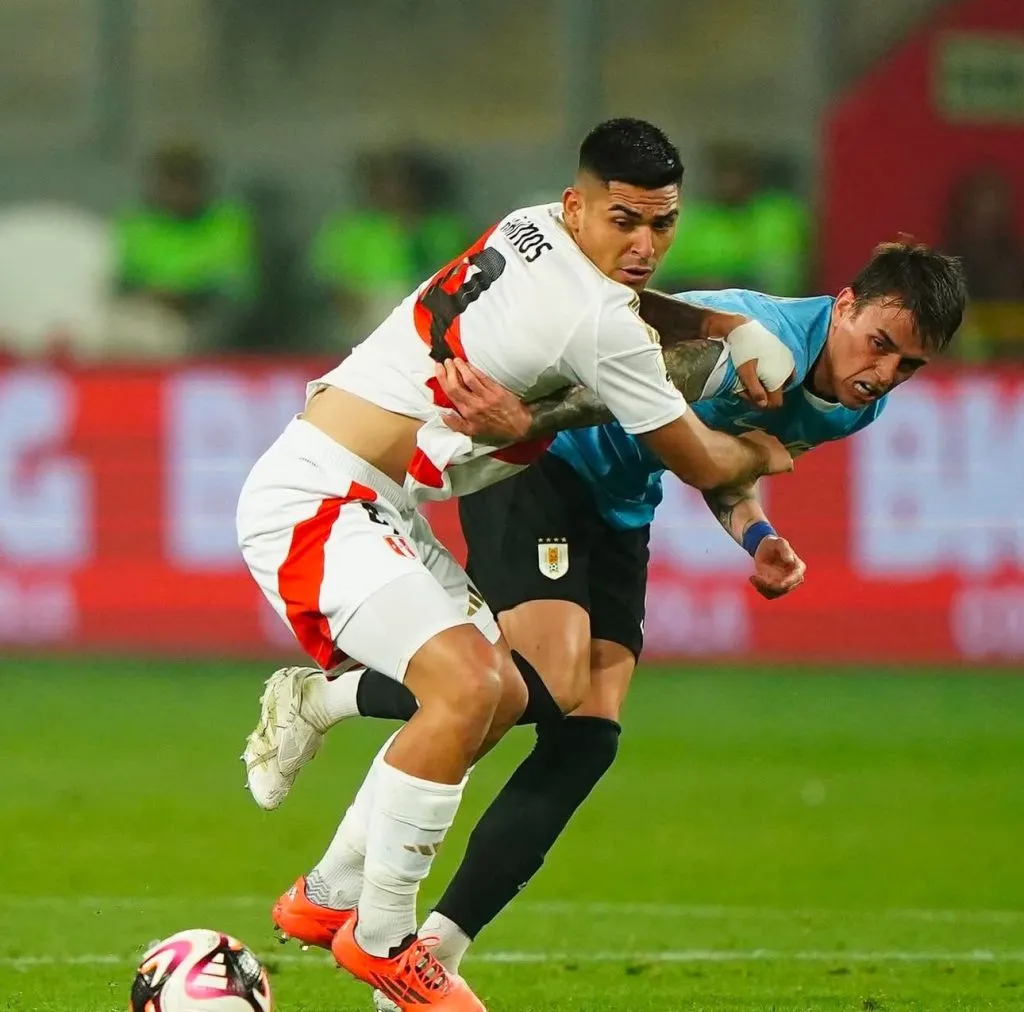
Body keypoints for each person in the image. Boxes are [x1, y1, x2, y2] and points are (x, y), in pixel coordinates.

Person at [247, 240, 967, 1008]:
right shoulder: (753, 339)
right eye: (879, 344)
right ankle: (325, 702)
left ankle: (425, 948)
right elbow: (611, 360)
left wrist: (758, 537)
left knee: (586, 736)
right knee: (536, 683)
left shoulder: (855, 403)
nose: (884, 372)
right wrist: (520, 421)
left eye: (908, 365)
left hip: (622, 500)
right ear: (846, 303)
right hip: (543, 465)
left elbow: (722, 464)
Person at [236, 118, 794, 1012]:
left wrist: (721, 323)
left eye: (663, 223)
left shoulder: (530, 226)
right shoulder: (598, 328)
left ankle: (329, 892)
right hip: (318, 501)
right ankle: (384, 943)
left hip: (380, 500)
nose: (645, 246)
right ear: (579, 206)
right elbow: (700, 460)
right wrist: (761, 451)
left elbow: (630, 305)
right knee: (466, 687)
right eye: (624, 221)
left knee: (499, 692)